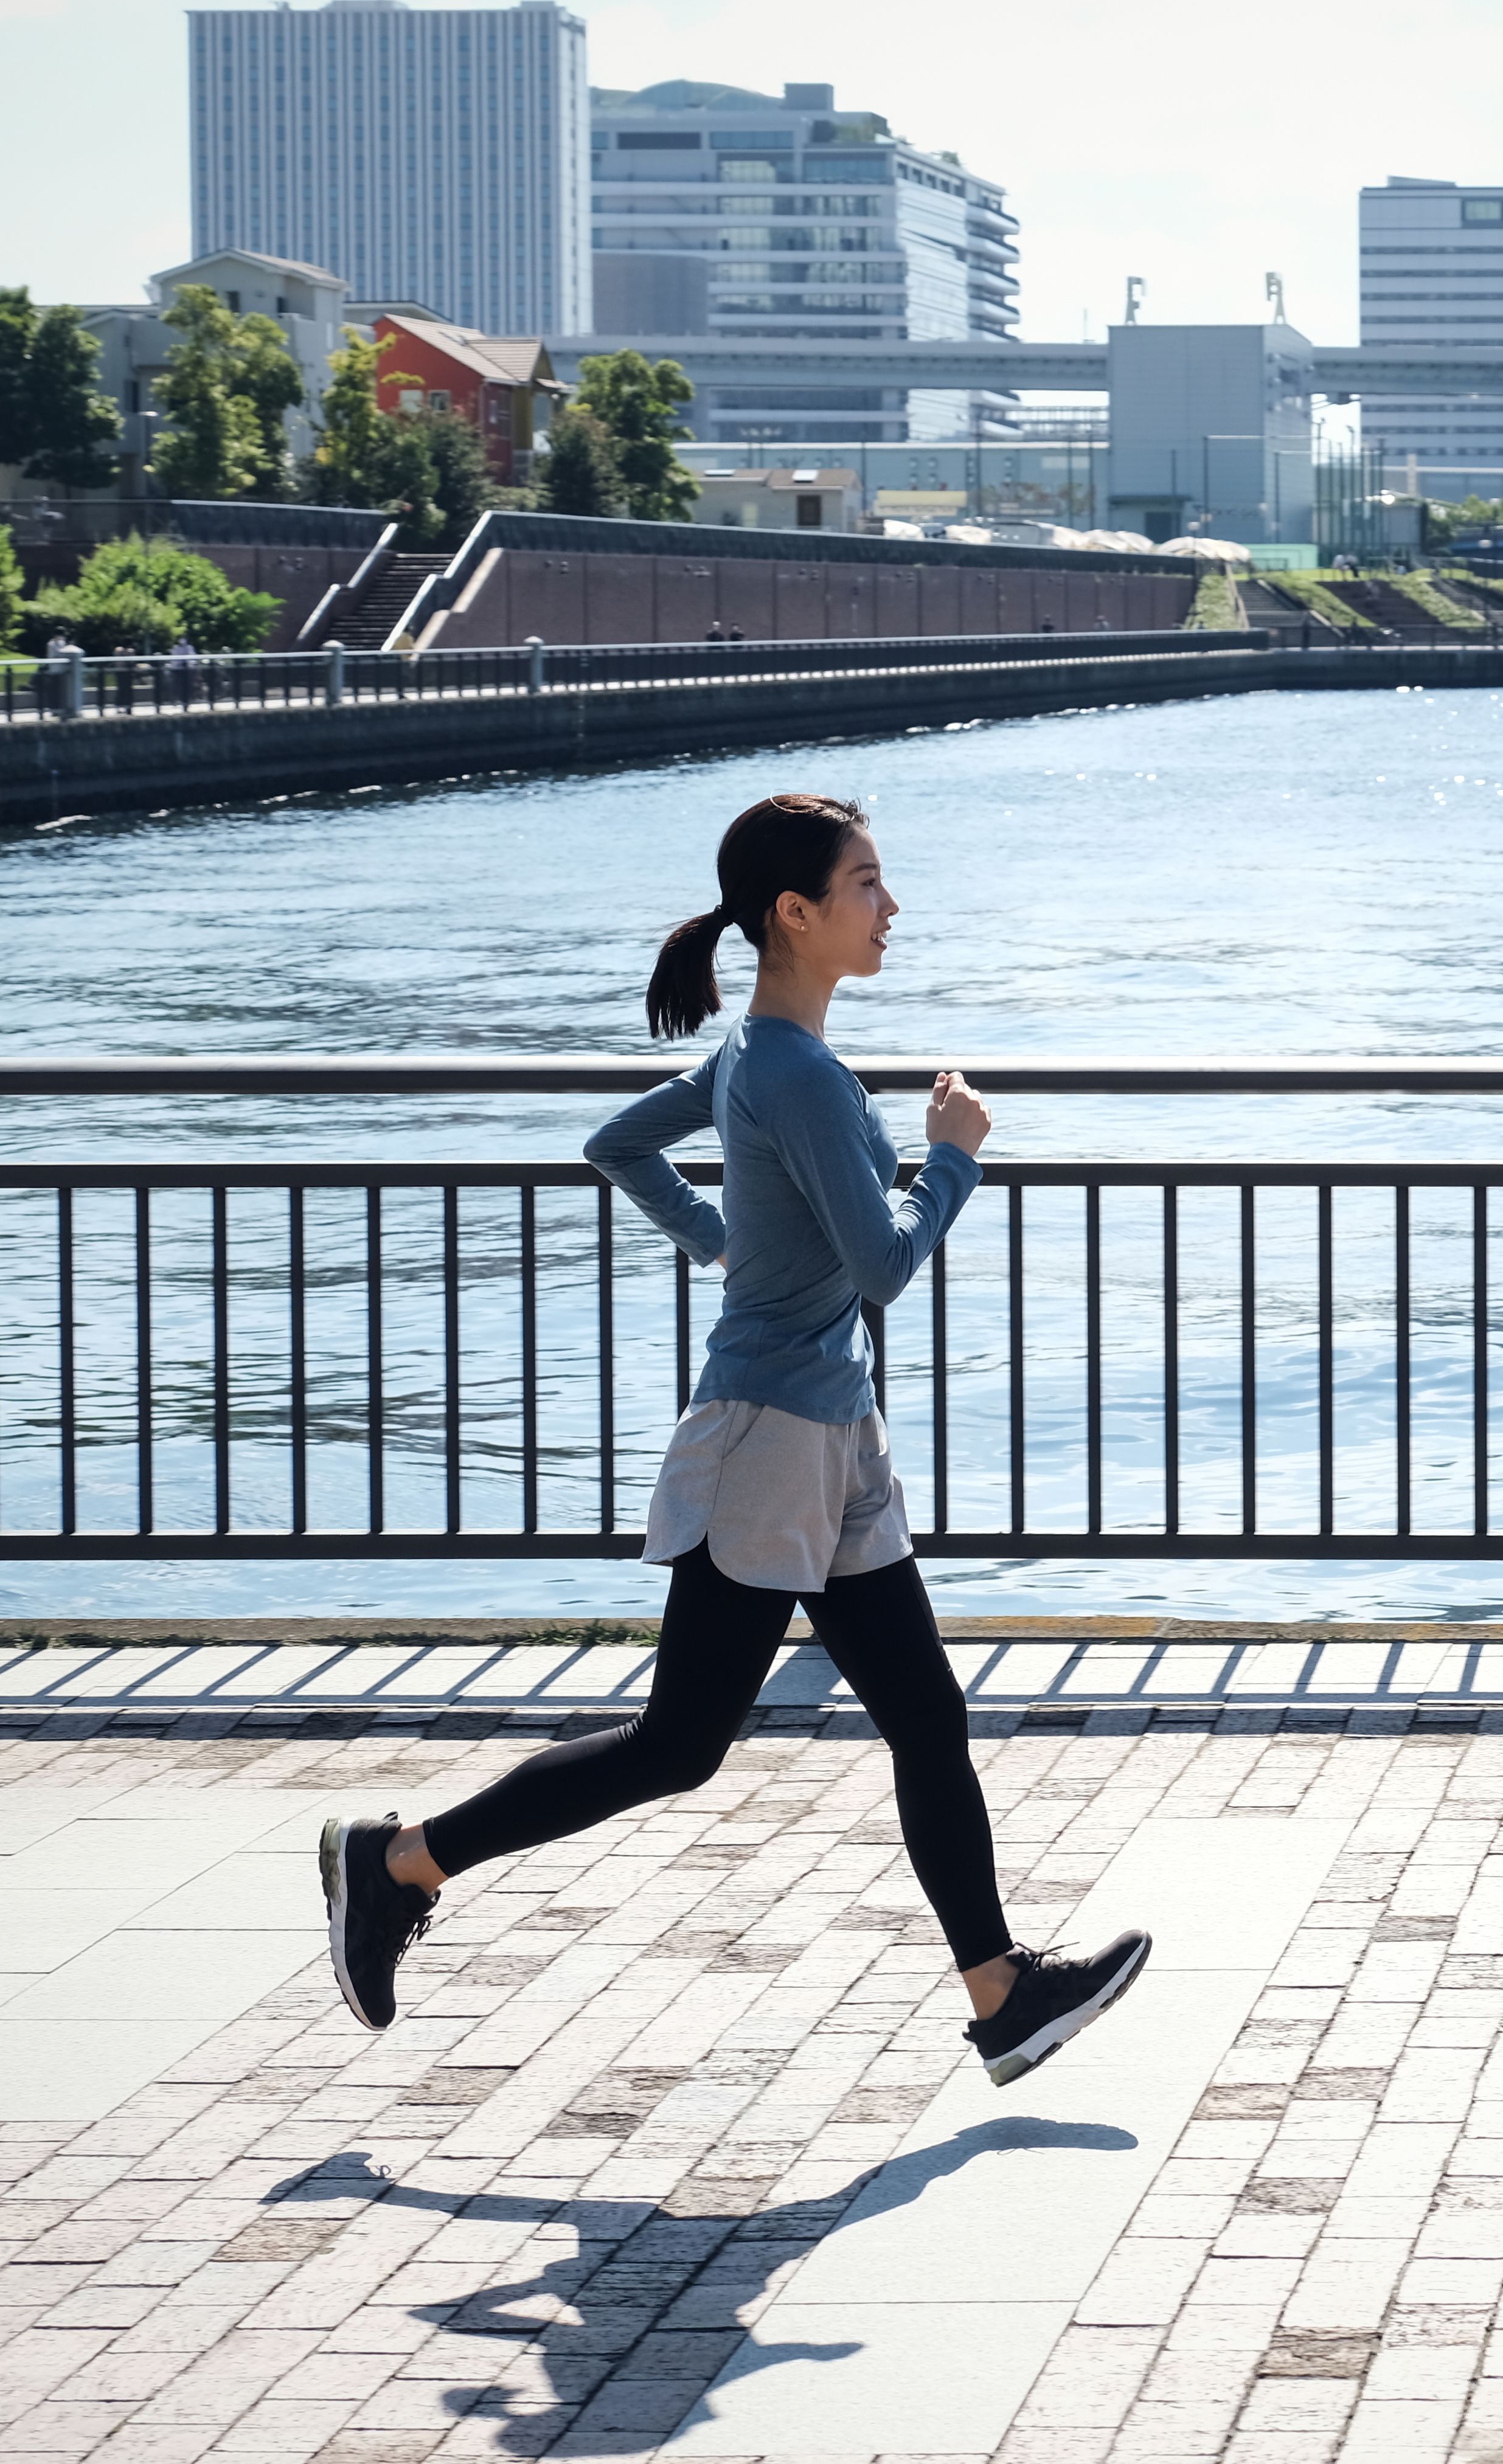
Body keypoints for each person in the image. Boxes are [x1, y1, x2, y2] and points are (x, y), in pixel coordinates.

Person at [321, 792, 1152, 2086]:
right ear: (796, 913)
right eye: (869, 885)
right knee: (680, 1744)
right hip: (771, 1437)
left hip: (835, 1436)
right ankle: (398, 1861)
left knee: (926, 1717)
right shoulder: (796, 1071)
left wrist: (727, 1247)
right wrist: (951, 1159)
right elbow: (881, 1263)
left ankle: (1000, 1994)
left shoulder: (756, 1060)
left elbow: (622, 1146)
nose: (892, 908)